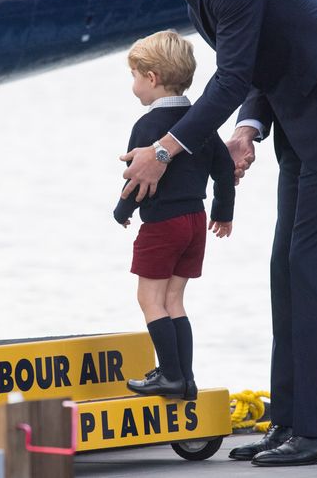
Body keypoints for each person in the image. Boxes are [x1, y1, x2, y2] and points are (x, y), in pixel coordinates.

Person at [103, 0, 317, 467]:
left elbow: (232, 74)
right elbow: (256, 65)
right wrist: (247, 131)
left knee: (316, 270)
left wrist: (164, 150)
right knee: (286, 268)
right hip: (304, 120)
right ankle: (289, 423)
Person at [113, 30, 236, 402]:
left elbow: (139, 179)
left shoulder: (147, 127)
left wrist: (121, 210)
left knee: (150, 300)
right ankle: (185, 378)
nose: (134, 85)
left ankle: (169, 375)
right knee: (175, 300)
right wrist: (223, 213)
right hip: (195, 222)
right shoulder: (200, 123)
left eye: (134, 77)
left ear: (151, 78)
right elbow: (224, 170)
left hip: (162, 225)